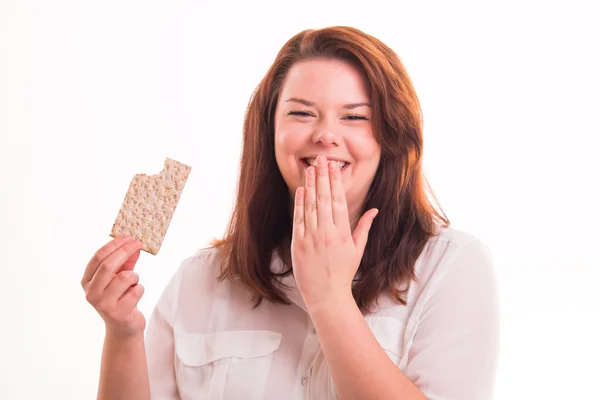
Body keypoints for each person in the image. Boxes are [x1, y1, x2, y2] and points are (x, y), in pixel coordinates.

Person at [81, 26, 499, 400]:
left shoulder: (452, 267)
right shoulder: (201, 278)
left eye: (354, 117)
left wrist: (330, 298)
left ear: (390, 136)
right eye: (301, 113)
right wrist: (122, 334)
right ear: (270, 131)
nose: (325, 135)